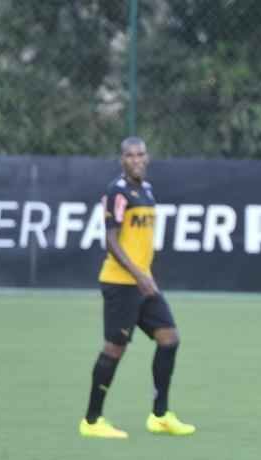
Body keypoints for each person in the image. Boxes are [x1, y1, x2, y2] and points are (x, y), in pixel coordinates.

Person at [79, 137, 195, 439]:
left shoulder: (147, 191)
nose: (136, 160)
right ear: (122, 160)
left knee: (169, 339)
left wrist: (145, 276)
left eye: (140, 154)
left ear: (147, 157)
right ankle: (92, 420)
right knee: (114, 348)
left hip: (143, 282)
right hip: (121, 283)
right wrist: (138, 275)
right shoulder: (117, 192)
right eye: (130, 156)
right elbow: (111, 241)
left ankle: (160, 415)